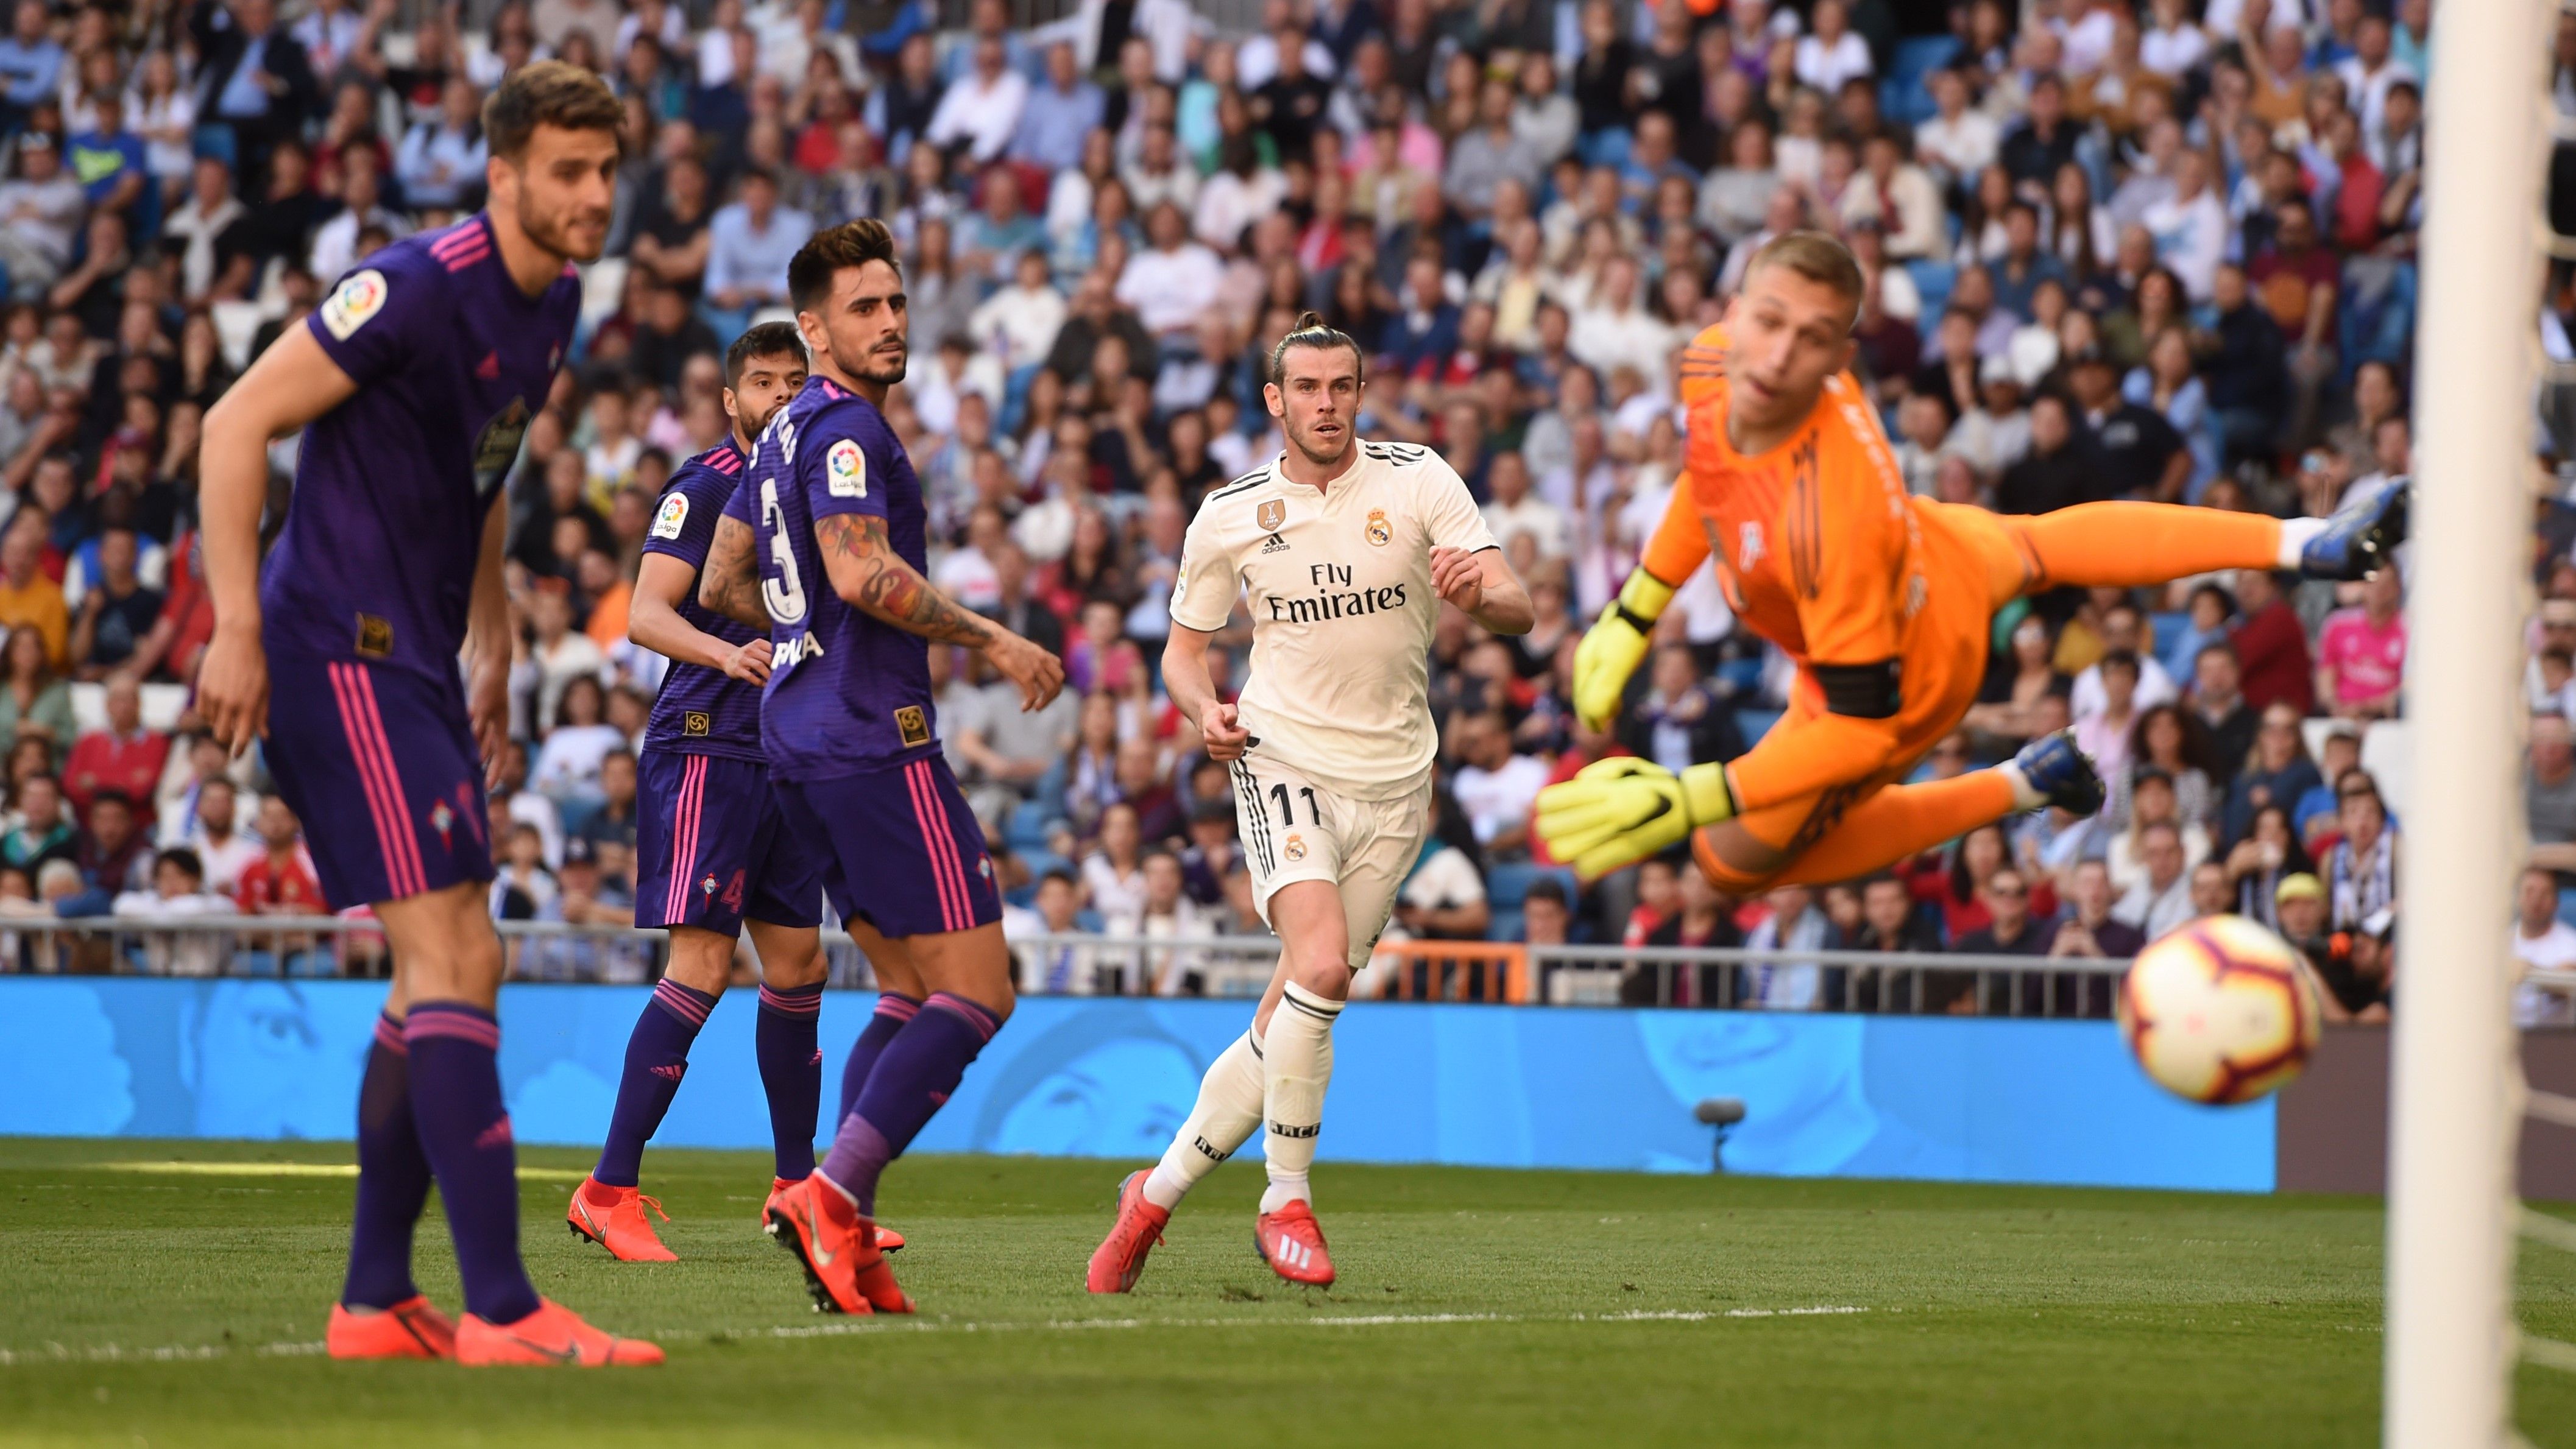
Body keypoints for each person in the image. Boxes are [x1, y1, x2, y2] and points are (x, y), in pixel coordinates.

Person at [194, 65, 659, 1366]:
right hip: (331, 644)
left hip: (413, 657)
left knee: (455, 959)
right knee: (454, 953)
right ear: (502, 174)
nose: (593, 196)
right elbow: (235, 425)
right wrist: (233, 624)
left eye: (604, 171)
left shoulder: (555, 299)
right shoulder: (411, 284)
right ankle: (504, 1311)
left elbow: (485, 454)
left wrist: (495, 625)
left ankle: (374, 1299)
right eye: (567, 172)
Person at [1543, 231, 2408, 895]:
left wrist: (1692, 796)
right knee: (2037, 541)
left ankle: (2017, 782)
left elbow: (1859, 727)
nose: (1772, 356)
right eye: (1764, 321)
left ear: (1840, 358)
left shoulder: (1828, 520)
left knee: (1728, 861)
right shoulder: (1715, 364)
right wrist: (1633, 610)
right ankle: (2306, 540)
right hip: (1934, 540)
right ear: (1739, 306)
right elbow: (1713, 472)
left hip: (1912, 660)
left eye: (1806, 339)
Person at [1089, 312, 1532, 1294]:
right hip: (1278, 751)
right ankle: (1282, 1197)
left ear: (1358, 393)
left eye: (1342, 386)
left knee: (1291, 1010)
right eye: (1308, 388)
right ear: (1274, 401)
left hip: (1395, 783)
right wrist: (1203, 707)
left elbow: (1518, 603)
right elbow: (1181, 650)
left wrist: (1477, 593)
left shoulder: (1417, 478)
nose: (1326, 403)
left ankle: (1151, 1197)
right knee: (1323, 964)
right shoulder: (1229, 512)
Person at [696, 219, 1065, 1317]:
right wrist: (994, 638)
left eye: (897, 302)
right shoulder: (847, 429)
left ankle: (840, 1232)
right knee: (979, 989)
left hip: (794, 735)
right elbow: (860, 571)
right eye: (864, 307)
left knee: (907, 985)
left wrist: (793, 631)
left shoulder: (776, 436)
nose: (891, 321)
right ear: (812, 329)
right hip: (871, 735)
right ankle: (833, 1192)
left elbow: (722, 578)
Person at [564, 321, 852, 1263]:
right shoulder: (705, 483)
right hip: (707, 745)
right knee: (701, 963)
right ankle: (607, 1188)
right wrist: (726, 650)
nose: (777, 396)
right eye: (760, 383)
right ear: (731, 398)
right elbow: (646, 612)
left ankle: (797, 1188)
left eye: (791, 381)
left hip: (784, 752)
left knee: (800, 967)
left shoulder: (806, 495)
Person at [2513, 864, 2576, 1029]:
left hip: (2551, 1042)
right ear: (2518, 897)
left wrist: (2529, 971)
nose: (2536, 900)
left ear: (2556, 901)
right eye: (2529, 891)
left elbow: (2566, 983)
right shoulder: (2502, 941)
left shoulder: (2570, 942)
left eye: (2544, 893)